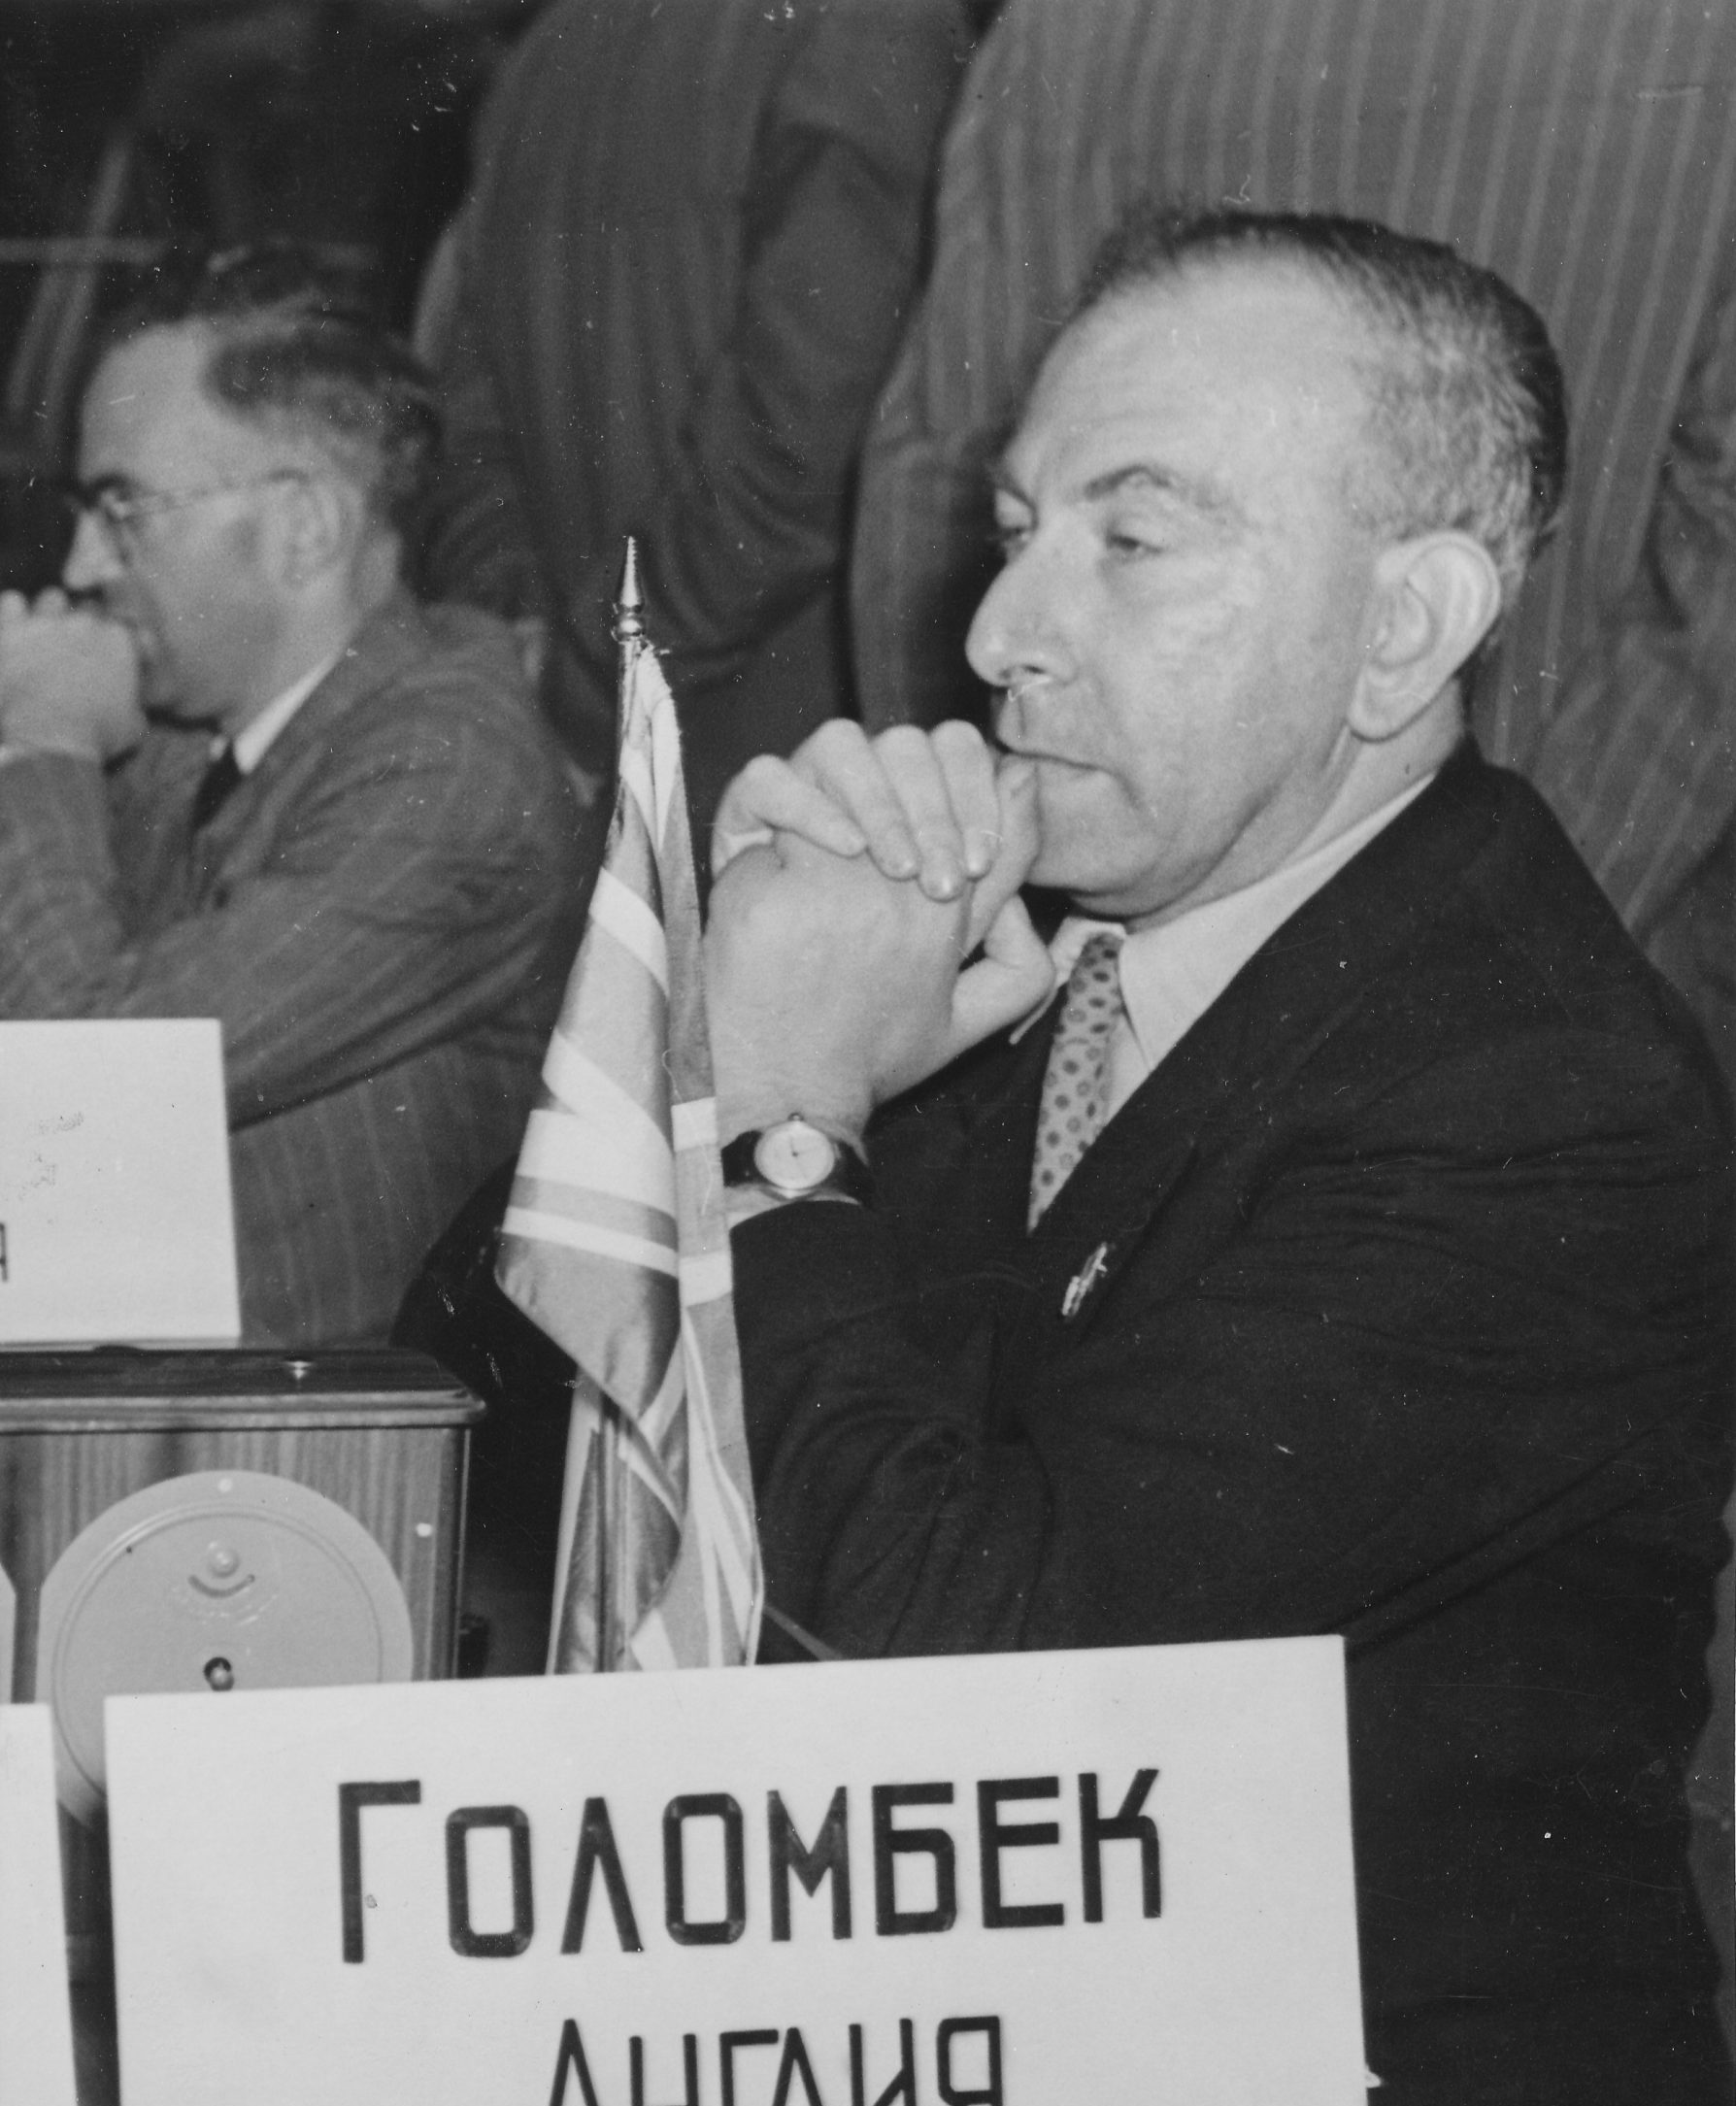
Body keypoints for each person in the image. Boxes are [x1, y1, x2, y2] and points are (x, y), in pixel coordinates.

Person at [704, 210, 1733, 2106]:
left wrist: (786, 1131)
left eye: (1132, 541)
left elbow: (992, 1688)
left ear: (1401, 627)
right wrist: (712, 1031)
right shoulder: (1069, 951)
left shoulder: (1529, 1091)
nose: (993, 636)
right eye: (1010, 531)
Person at [852, 0, 1736, 1019]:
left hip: (1096, 958)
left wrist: (957, 855)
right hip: (1607, 923)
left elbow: (933, 462)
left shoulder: (1076, 27)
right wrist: (1534, 905)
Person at [0, 247, 593, 1348]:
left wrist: (38, 742)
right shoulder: (213, 719)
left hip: (302, 1455)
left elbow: (76, 1096)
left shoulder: (449, 772)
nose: (82, 564)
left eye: (122, 507)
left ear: (307, 526)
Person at [415, 0, 972, 848]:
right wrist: (594, 675)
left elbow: (471, 424)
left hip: (588, 766)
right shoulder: (869, 24)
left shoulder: (548, 49)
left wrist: (531, 655)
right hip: (783, 783)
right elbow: (803, 449)